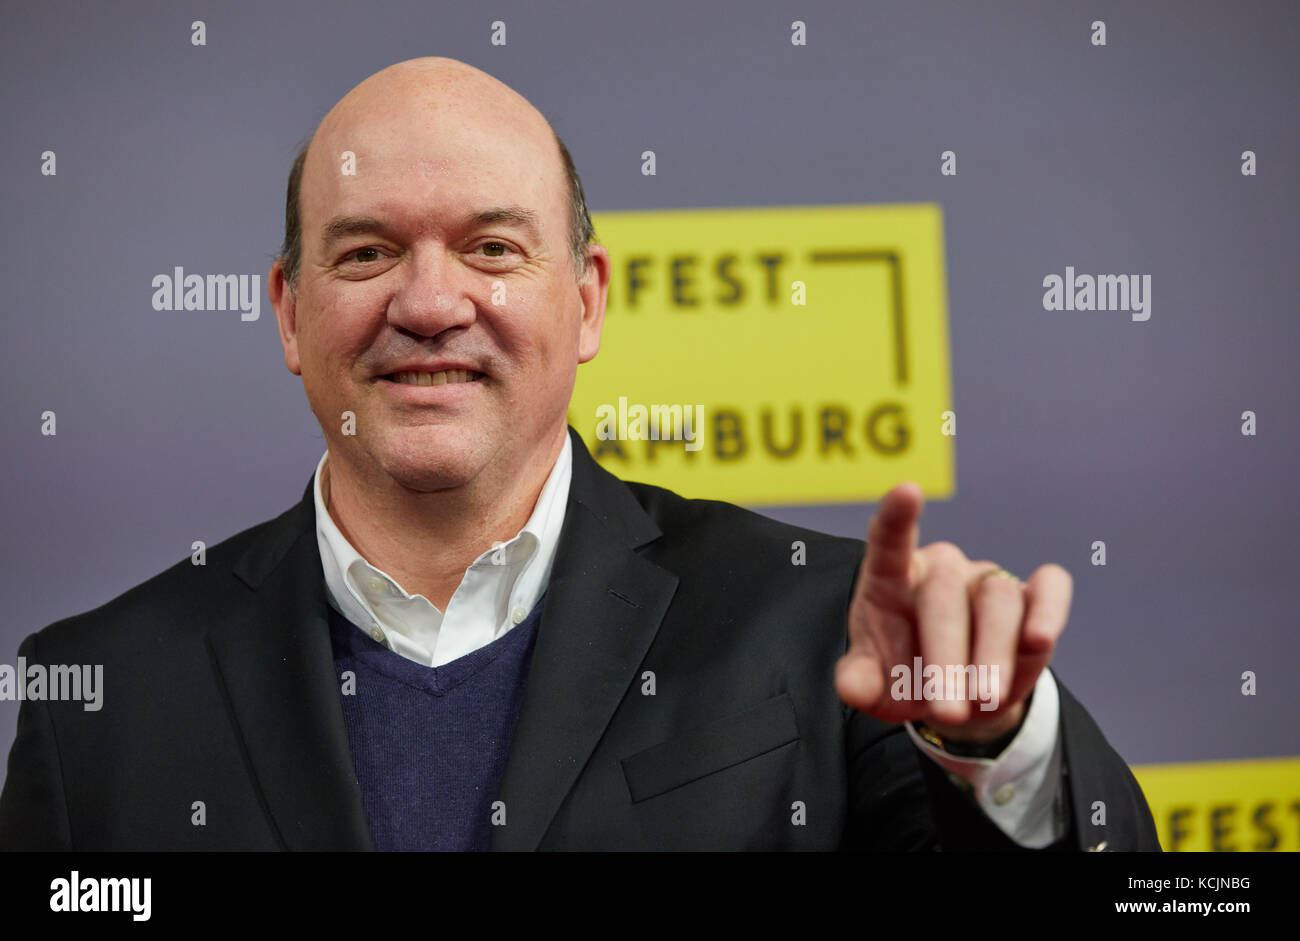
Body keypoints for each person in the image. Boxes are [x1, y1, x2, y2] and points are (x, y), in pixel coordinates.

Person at [0, 57, 1159, 851]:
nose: (431, 300)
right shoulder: (100, 699)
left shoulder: (821, 629)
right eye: (365, 253)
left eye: (491, 247)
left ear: (589, 302)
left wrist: (996, 750)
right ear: (289, 313)